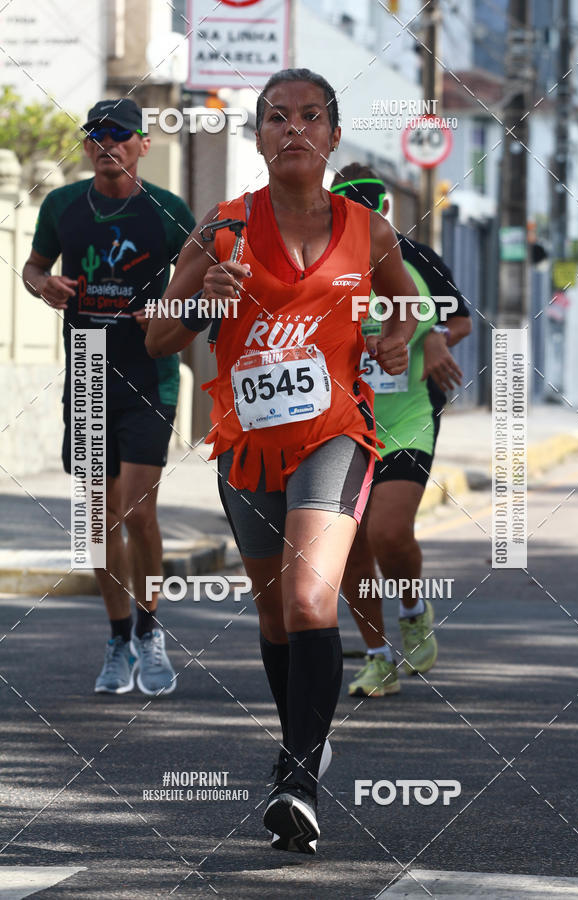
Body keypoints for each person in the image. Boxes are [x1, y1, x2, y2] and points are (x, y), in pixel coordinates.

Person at [146, 69, 419, 854]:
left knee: (308, 598)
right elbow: (159, 337)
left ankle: (297, 778)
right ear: (259, 136)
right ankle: (303, 743)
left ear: (334, 135)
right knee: (274, 615)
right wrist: (205, 301)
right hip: (246, 447)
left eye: (309, 116)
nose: (293, 128)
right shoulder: (223, 226)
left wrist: (394, 340)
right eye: (275, 117)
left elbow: (402, 307)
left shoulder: (369, 230)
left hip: (335, 434)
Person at [22, 98, 196, 697]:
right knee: (95, 522)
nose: (107, 144)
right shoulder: (62, 205)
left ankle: (150, 630)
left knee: (138, 513)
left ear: (143, 144)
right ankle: (119, 637)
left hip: (149, 368)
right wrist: (44, 284)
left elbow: (202, 284)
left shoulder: (168, 211)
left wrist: (169, 308)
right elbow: (33, 267)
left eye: (120, 134)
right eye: (96, 134)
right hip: (90, 367)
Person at [330, 164, 472, 697]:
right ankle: (378, 657)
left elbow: (456, 320)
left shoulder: (414, 259)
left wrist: (435, 336)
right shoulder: (322, 265)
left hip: (407, 415)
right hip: (344, 421)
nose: (362, 216)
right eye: (351, 206)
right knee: (348, 545)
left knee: (387, 533)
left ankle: (413, 612)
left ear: (384, 207)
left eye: (370, 206)